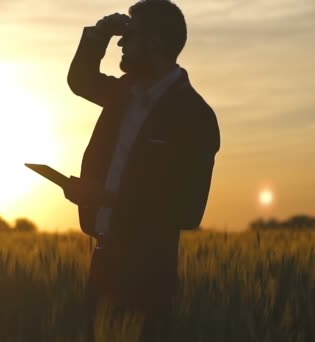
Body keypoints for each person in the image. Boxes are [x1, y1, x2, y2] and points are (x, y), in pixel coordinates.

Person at [64, 0, 221, 340]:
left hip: (149, 276)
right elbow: (80, 80)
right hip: (102, 265)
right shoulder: (123, 93)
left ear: (153, 42)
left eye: (129, 35)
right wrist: (99, 34)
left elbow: (188, 211)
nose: (121, 43)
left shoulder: (195, 116)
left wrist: (106, 198)